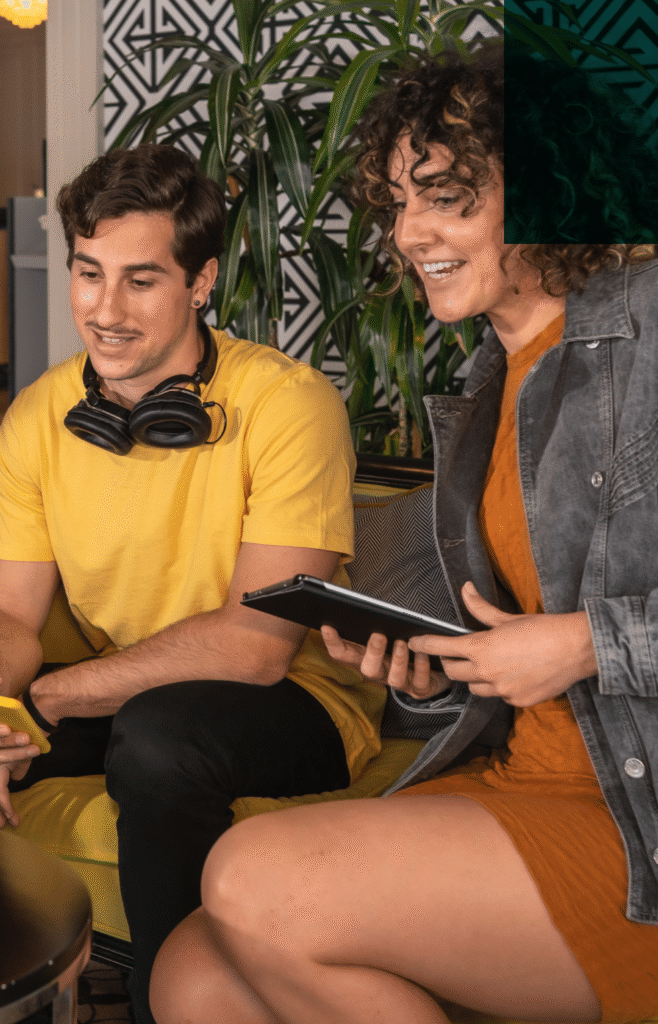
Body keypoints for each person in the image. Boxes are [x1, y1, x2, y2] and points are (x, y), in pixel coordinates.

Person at [148, 41, 658, 1024]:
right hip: (532, 781)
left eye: (445, 197)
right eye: (397, 202)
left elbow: (582, 646)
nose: (406, 232)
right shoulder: (488, 390)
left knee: (255, 878)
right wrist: (436, 675)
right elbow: (523, 657)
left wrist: (590, 642)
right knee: (191, 975)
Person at [0, 143, 387, 1024]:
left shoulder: (289, 405)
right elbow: (13, 618)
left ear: (202, 281)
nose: (104, 310)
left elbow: (256, 649)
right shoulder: (36, 417)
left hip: (300, 702)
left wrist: (45, 699)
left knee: (159, 736)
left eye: (141, 281)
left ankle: (166, 1008)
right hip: (119, 692)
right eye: (89, 273)